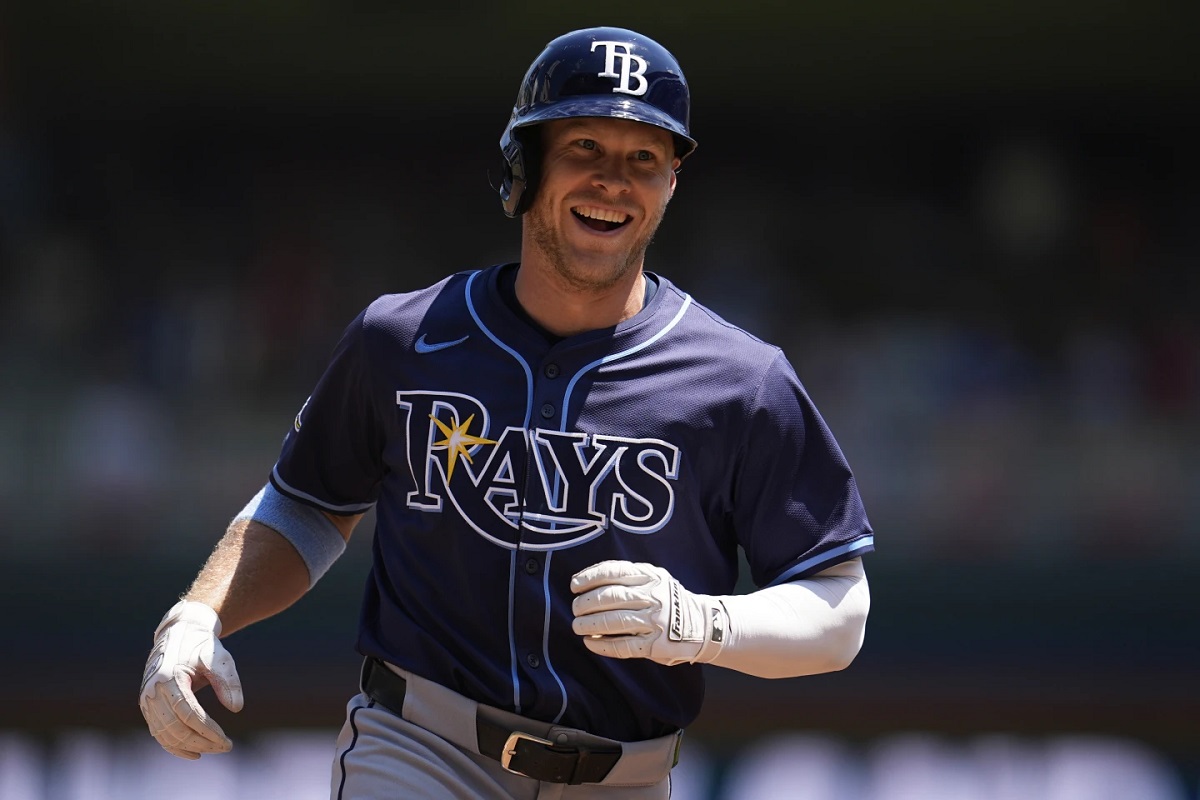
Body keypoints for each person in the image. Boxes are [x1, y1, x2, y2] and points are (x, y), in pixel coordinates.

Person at [138, 26, 875, 799]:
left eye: (643, 159)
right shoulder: (405, 337)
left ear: (670, 184)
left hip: (623, 778)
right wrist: (198, 615)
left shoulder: (741, 380)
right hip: (422, 750)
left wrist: (702, 624)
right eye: (585, 148)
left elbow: (839, 608)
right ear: (525, 165)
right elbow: (309, 503)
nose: (613, 181)